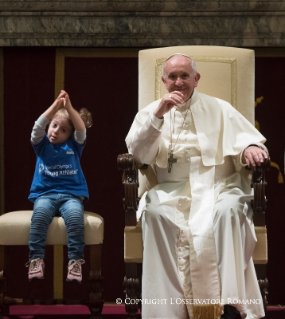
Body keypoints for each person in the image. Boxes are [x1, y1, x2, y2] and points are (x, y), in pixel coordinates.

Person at [126, 54, 268, 319]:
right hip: (171, 191)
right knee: (155, 214)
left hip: (218, 186)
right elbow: (139, 155)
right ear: (163, 80)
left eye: (185, 76)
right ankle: (168, 311)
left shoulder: (220, 108)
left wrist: (249, 147)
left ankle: (230, 306)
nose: (179, 82)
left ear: (196, 79)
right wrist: (158, 115)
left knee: (228, 212)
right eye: (173, 77)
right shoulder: (150, 112)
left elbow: (245, 139)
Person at [26, 90, 93, 283]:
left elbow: (81, 129)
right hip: (44, 195)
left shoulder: (74, 145)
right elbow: (38, 126)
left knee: (75, 218)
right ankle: (36, 259)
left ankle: (75, 262)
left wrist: (68, 108)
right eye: (54, 126)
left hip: (71, 196)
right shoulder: (41, 144)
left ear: (70, 135)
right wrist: (56, 106)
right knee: (38, 218)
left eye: (63, 130)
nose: (55, 131)